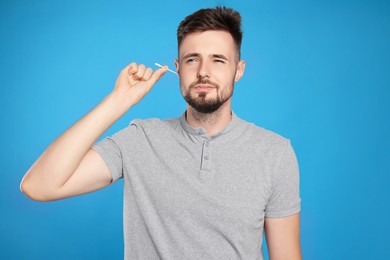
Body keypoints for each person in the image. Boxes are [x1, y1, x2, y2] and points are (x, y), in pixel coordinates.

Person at [21, 6, 301, 260]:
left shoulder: (275, 153)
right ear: (177, 69)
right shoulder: (139, 140)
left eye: (218, 60)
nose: (203, 72)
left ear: (238, 70)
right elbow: (39, 185)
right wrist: (119, 101)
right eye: (192, 60)